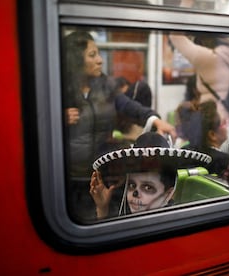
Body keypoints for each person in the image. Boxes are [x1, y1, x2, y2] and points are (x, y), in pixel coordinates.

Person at [61, 30, 176, 221]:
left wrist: (154, 119)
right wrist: (58, 119)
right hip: (70, 178)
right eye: (92, 55)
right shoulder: (58, 88)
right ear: (75, 60)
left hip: (103, 175)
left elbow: (129, 107)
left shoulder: (106, 87)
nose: (100, 60)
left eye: (99, 53)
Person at [168, 0, 229, 139]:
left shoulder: (208, 58)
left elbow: (176, 36)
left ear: (201, 44)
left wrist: (187, 2)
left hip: (217, 129)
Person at [89, 132, 212, 219]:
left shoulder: (176, 224)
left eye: (148, 187)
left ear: (169, 193)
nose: (134, 195)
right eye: (132, 185)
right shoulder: (125, 219)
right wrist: (102, 209)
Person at [175, 100, 229, 178]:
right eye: (224, 123)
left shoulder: (184, 152)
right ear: (212, 135)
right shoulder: (224, 162)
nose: (227, 126)